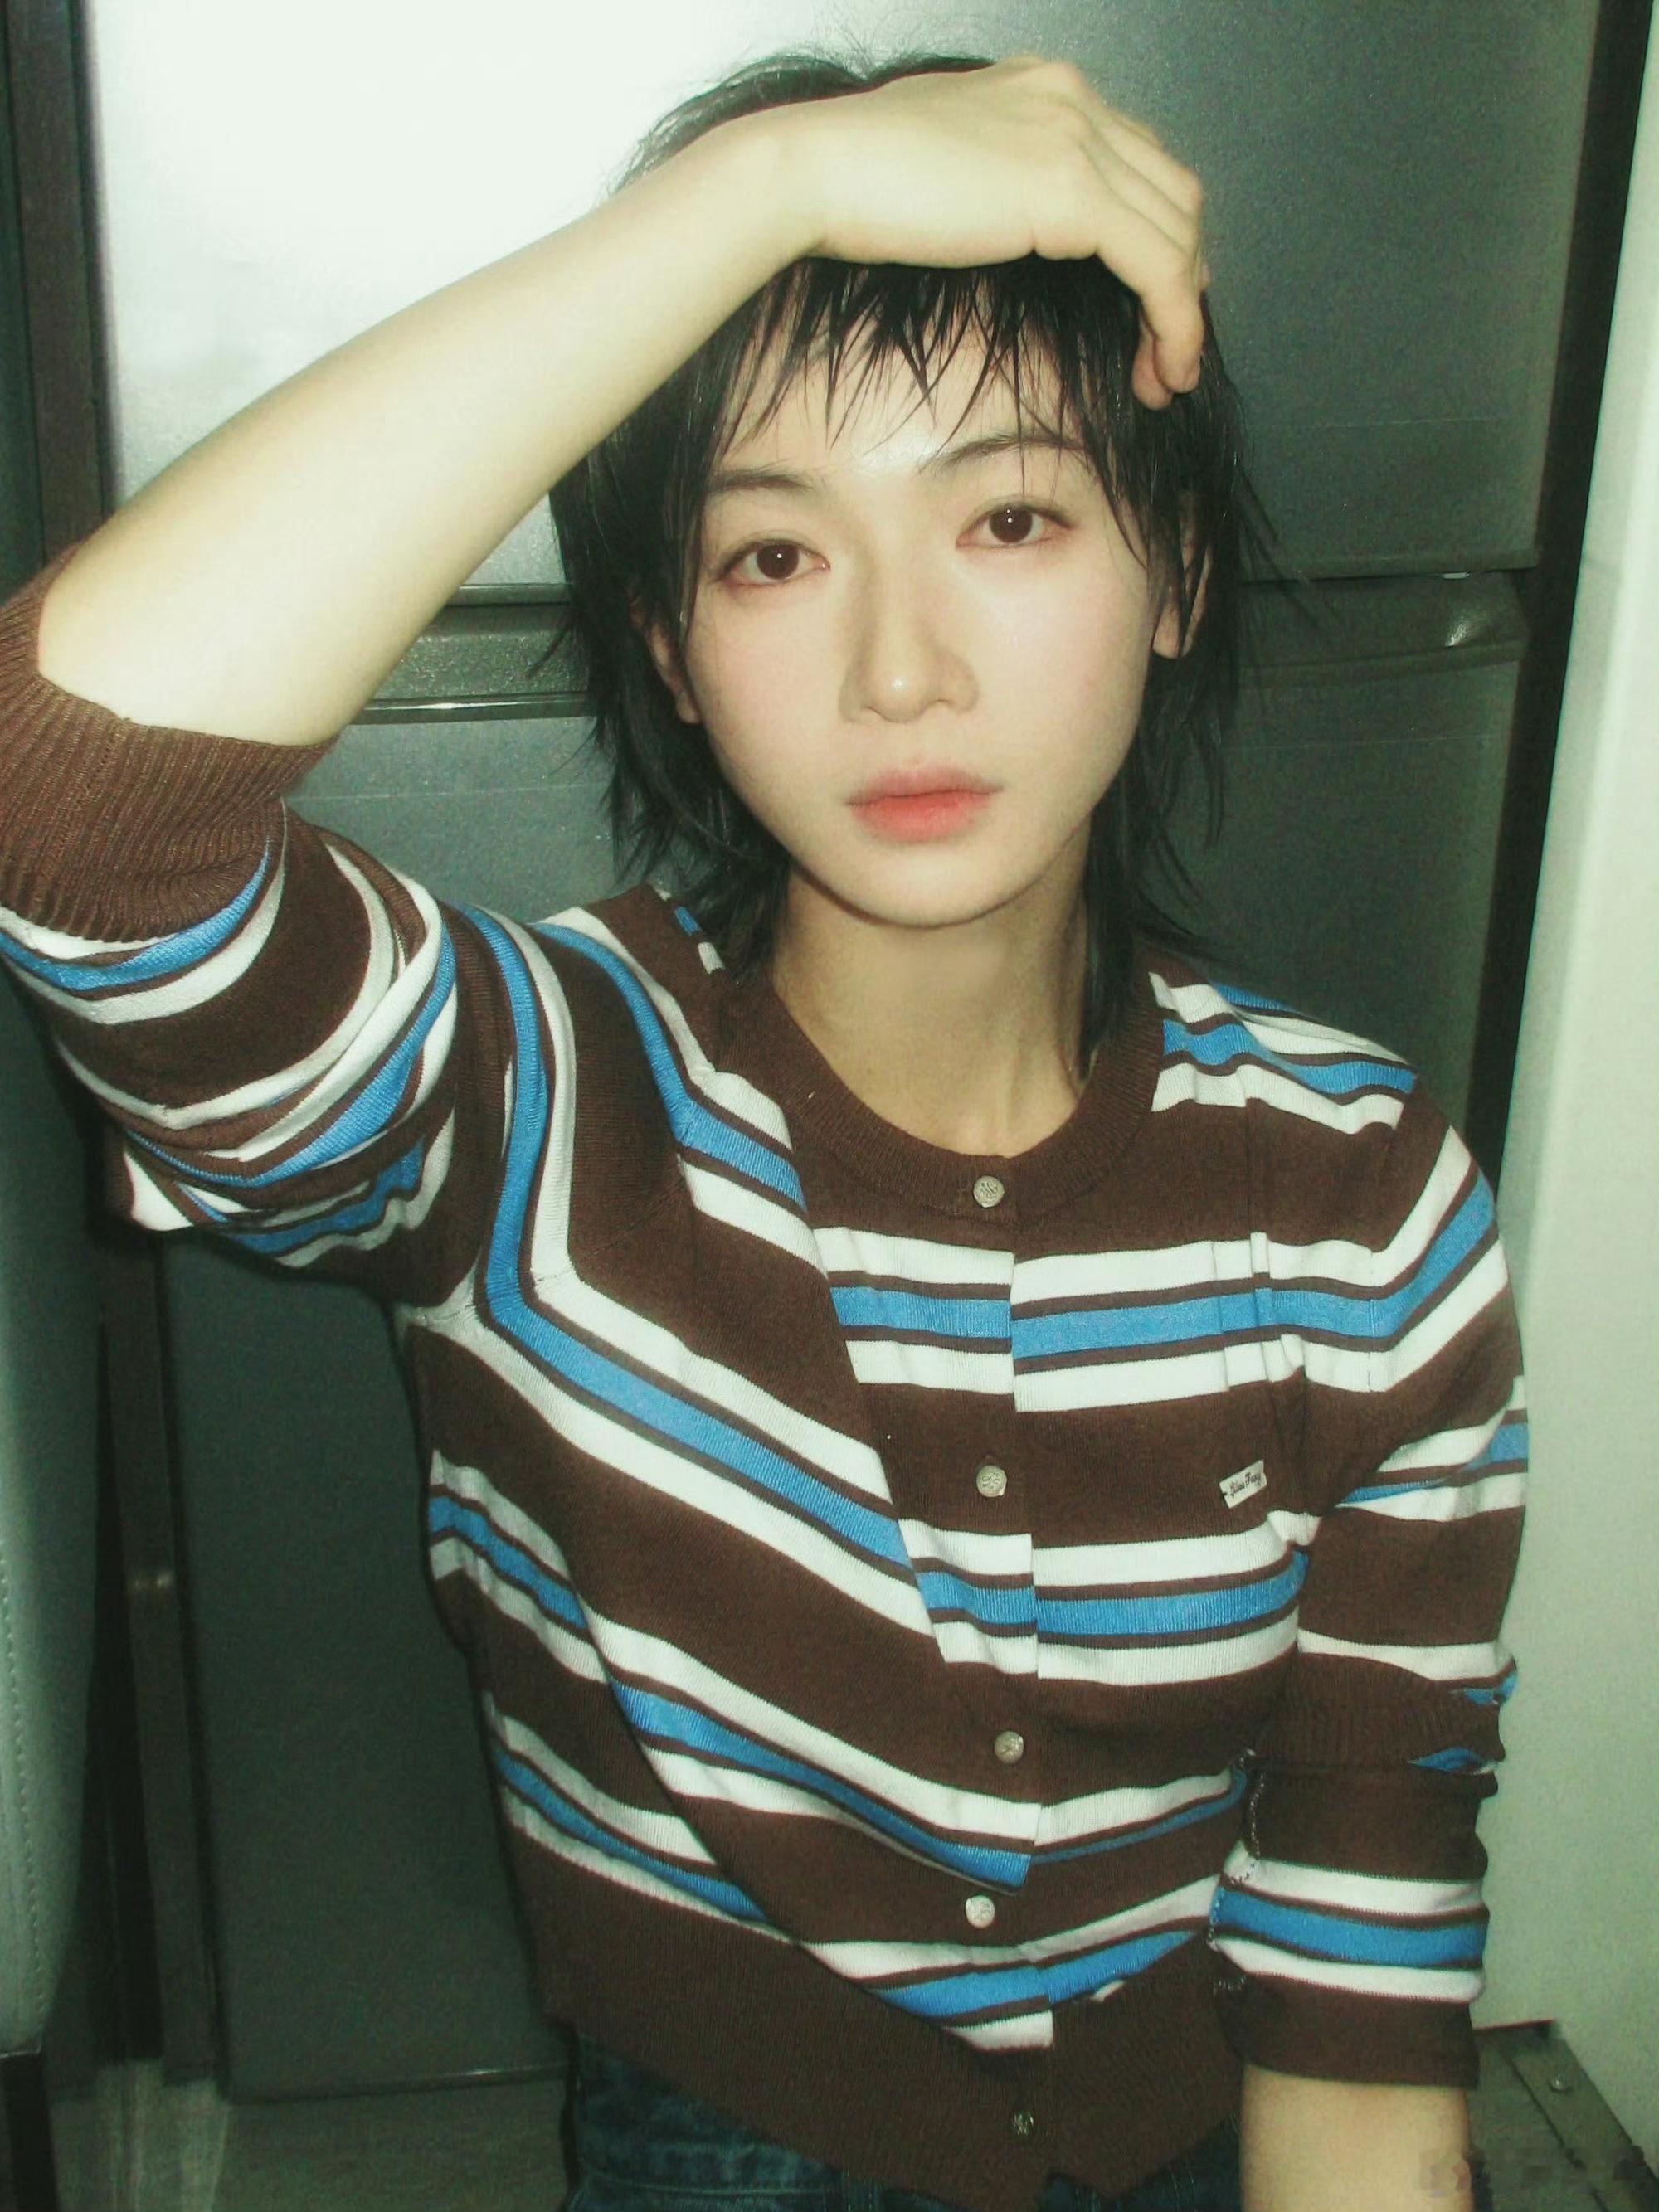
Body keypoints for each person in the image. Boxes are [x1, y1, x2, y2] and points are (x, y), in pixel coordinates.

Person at [0, 50, 1517, 2212]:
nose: (903, 670)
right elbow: (67, 807)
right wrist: (762, 190)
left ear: (1174, 566)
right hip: (718, 2140)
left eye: (1010, 520)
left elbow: (1364, 1923)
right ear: (671, 643)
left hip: (1207, 2104)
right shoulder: (530, 1098)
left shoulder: (1361, 1188)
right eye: (776, 553)